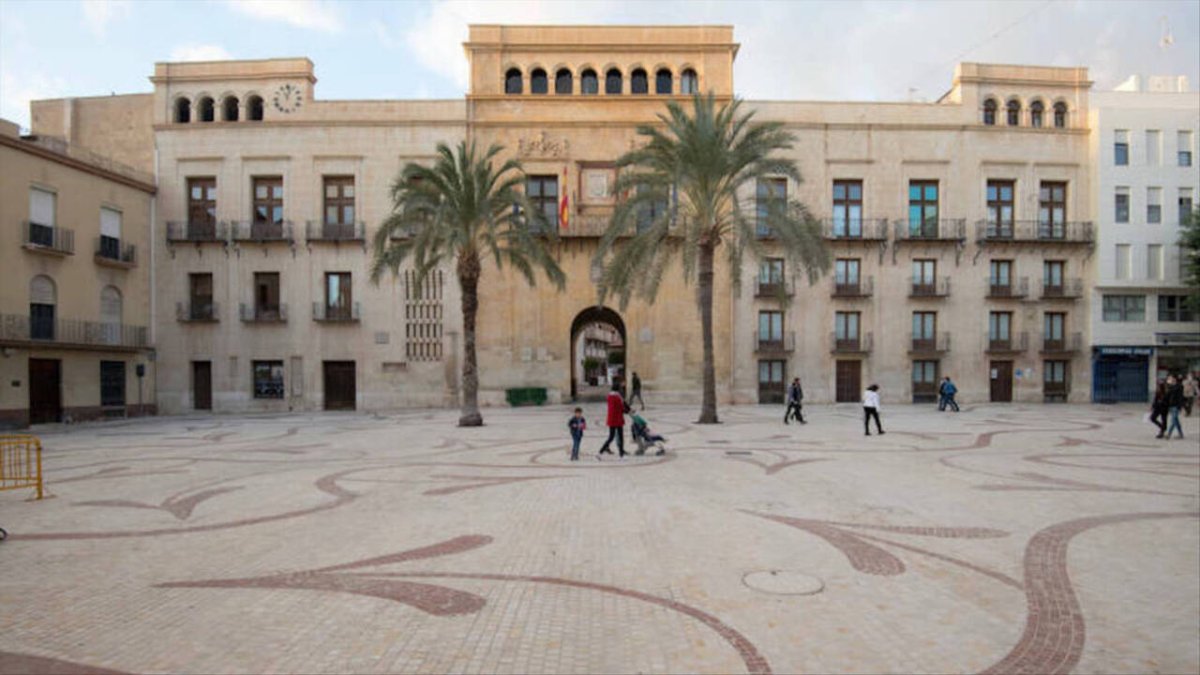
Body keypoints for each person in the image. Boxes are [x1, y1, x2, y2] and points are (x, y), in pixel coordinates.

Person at [597, 382, 627, 459]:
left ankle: (600, 452)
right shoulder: (617, 397)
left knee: (611, 437)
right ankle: (621, 455)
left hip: (611, 419)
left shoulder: (610, 396)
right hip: (618, 419)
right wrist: (627, 411)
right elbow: (621, 407)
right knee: (620, 437)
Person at [1164, 375, 1186, 440]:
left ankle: (1168, 434)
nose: (1169, 380)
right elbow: (1167, 397)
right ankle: (1181, 434)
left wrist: (1180, 406)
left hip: (1176, 406)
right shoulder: (1170, 387)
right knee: (1176, 421)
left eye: (1170, 379)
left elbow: (1180, 398)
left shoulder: (1178, 387)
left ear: (1174, 380)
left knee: (1173, 420)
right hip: (1171, 406)